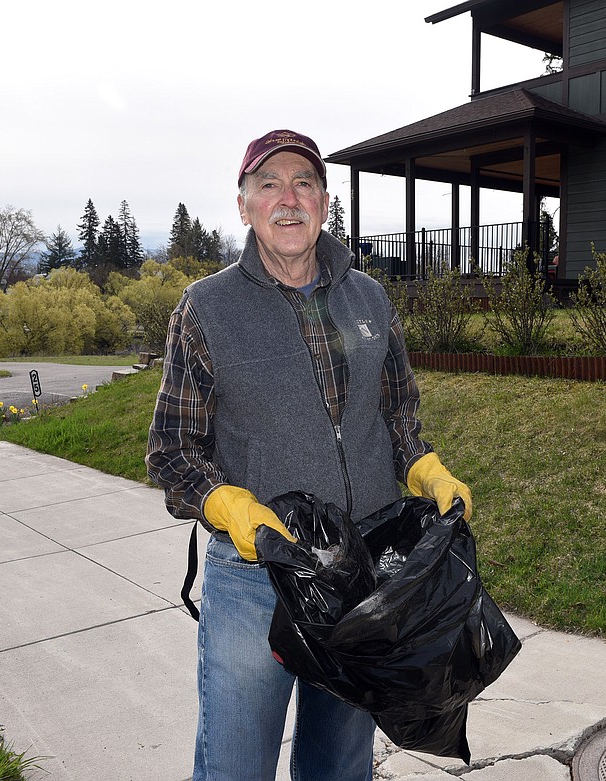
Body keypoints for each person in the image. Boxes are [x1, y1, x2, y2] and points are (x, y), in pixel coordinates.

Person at [146, 129, 473, 781]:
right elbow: (172, 449)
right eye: (268, 185)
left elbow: (399, 411)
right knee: (236, 765)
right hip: (255, 578)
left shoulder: (370, 299)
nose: (287, 199)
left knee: (340, 765)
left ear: (324, 202)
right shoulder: (206, 308)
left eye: (303, 183)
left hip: (359, 574)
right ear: (244, 207)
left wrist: (425, 467)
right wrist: (224, 501)